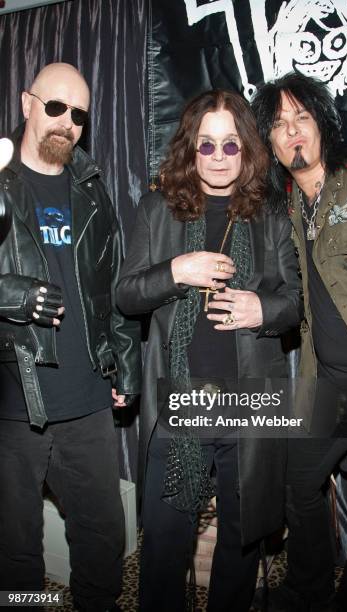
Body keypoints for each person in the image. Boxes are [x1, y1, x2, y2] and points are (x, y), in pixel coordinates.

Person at [116, 89, 302, 612]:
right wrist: (178, 272)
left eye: (230, 145)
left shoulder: (269, 213)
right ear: (189, 149)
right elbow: (126, 293)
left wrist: (261, 310)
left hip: (249, 406)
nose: (219, 157)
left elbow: (294, 302)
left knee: (241, 548)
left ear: (247, 150)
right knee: (164, 551)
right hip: (180, 404)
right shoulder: (157, 209)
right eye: (206, 146)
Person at [252, 72, 347, 612]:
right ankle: (308, 588)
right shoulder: (296, 206)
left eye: (302, 118)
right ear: (269, 143)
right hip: (334, 385)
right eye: (279, 125)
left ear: (322, 124)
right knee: (298, 483)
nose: (292, 132)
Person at [0, 63, 141, 611]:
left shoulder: (91, 187)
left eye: (79, 113)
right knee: (14, 554)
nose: (67, 122)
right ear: (26, 103)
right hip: (14, 400)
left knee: (103, 542)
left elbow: (111, 287)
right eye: (55, 107)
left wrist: (124, 361)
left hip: (88, 403)